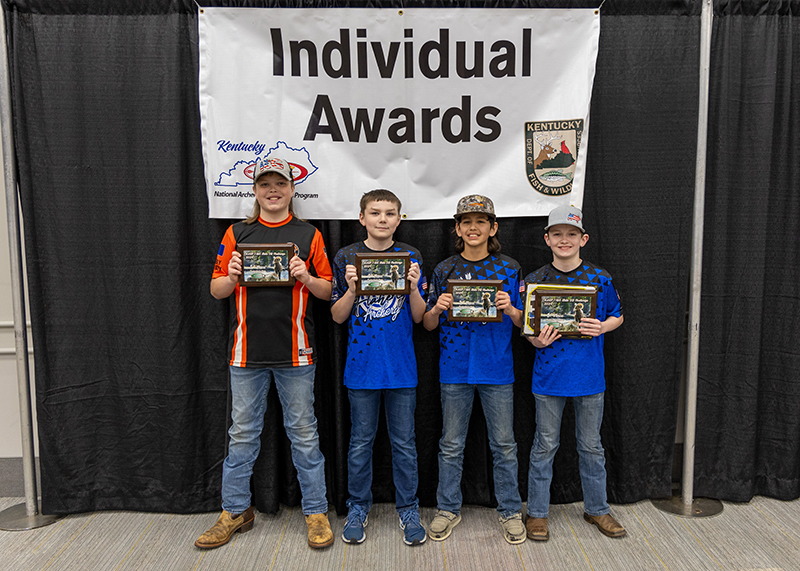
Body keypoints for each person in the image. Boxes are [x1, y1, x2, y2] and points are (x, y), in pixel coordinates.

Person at [195, 157, 334, 550]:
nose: (273, 191)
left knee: (305, 436)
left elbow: (328, 290)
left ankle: (316, 511)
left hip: (296, 352)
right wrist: (233, 276)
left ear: (292, 189)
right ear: (254, 191)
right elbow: (216, 290)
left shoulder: (309, 235)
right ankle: (235, 510)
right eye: (265, 185)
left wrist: (305, 277)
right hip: (246, 353)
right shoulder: (237, 233)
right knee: (241, 437)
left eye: (280, 184)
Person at [422, 194, 526, 545]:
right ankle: (448, 507)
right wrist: (436, 308)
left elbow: (526, 321)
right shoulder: (444, 269)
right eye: (466, 221)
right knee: (451, 445)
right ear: (457, 228)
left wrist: (511, 309)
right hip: (454, 369)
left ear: (493, 227)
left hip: (497, 369)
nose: (473, 227)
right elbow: (427, 324)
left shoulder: (510, 268)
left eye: (481, 221)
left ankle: (510, 510)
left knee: (505, 446)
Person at [330, 189, 428, 546]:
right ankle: (358, 506)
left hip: (401, 367)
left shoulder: (411, 255)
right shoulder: (346, 257)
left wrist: (415, 287)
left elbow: (419, 317)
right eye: (375, 213)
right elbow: (337, 316)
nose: (382, 219)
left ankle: (409, 508)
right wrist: (353, 290)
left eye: (390, 213)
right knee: (360, 443)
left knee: (404, 444)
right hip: (361, 367)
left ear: (399, 219)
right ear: (362, 218)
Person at [524, 204, 625, 542]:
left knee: (591, 446)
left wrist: (602, 327)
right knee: (544, 446)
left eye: (571, 234)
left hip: (589, 377)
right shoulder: (534, 280)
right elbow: (528, 330)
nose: (564, 240)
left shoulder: (600, 278)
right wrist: (537, 340)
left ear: (583, 238)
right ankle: (537, 513)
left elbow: (617, 315)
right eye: (557, 234)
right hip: (549, 377)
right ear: (547, 239)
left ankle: (597, 508)